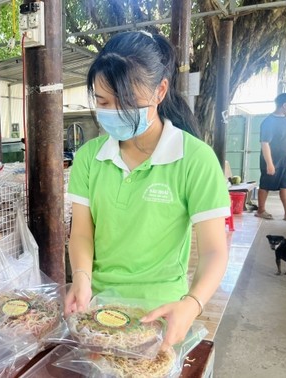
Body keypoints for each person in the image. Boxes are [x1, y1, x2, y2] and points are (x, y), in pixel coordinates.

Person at [64, 31, 230, 351]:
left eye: (126, 101)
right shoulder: (88, 158)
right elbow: (82, 233)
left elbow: (214, 250)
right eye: (102, 101)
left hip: (163, 314)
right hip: (98, 310)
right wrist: (81, 278)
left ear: (160, 91)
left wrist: (192, 304)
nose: (113, 111)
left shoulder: (195, 159)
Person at [255, 93, 286, 221]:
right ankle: (260, 210)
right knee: (265, 185)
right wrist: (269, 164)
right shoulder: (269, 122)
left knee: (285, 185)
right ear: (284, 105)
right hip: (273, 160)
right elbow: (264, 143)